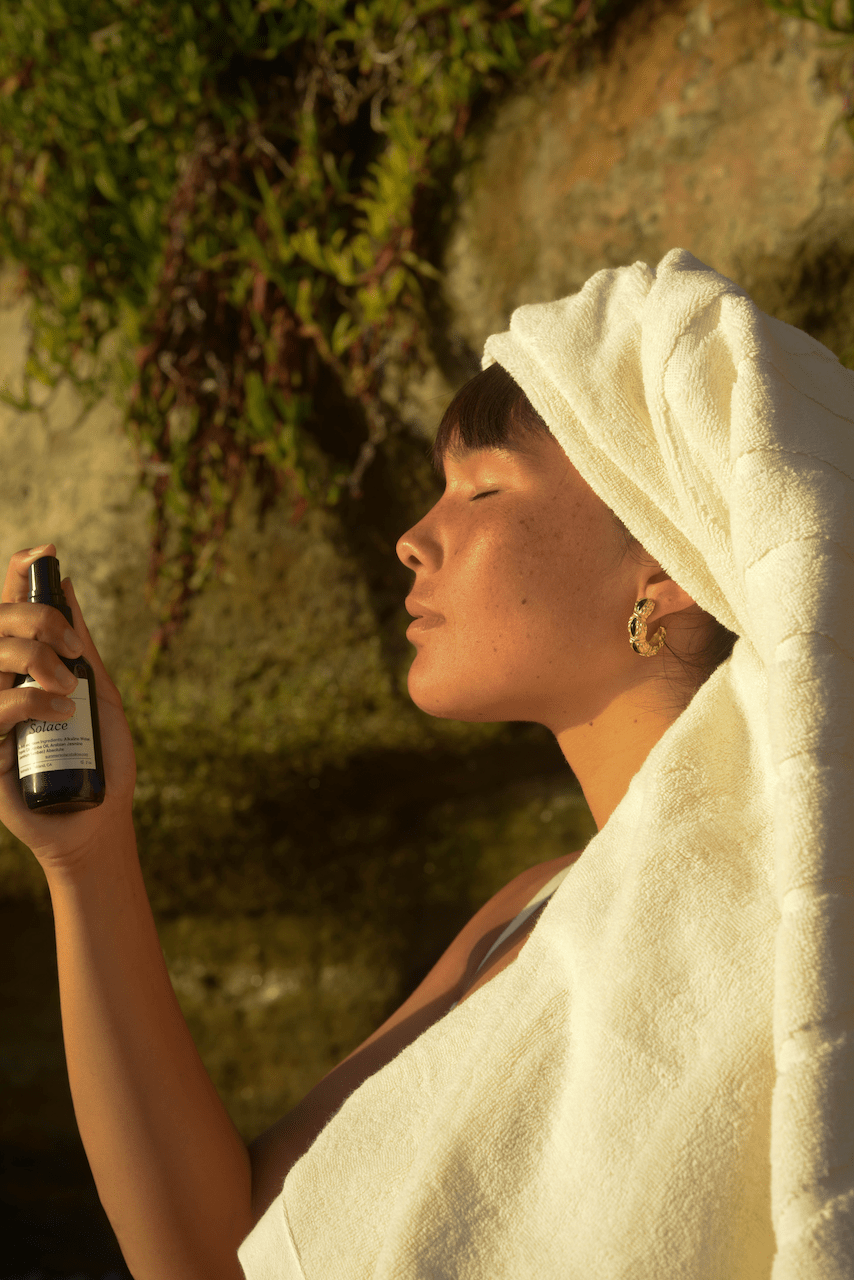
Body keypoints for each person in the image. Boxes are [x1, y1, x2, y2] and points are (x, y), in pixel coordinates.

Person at [0, 247, 850, 1279]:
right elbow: (204, 1253)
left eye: (478, 489)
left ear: (661, 562)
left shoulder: (802, 937)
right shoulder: (522, 916)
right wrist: (87, 856)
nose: (411, 536)